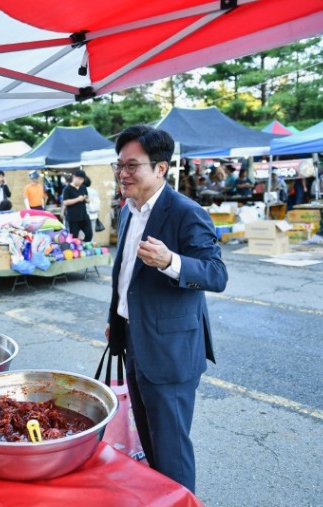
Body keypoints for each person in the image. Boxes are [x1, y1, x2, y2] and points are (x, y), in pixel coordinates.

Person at [105, 125, 228, 493]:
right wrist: (119, 317)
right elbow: (126, 273)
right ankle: (160, 499)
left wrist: (171, 261)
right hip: (134, 340)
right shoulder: (129, 211)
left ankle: (180, 501)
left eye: (132, 166)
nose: (123, 174)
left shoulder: (186, 212)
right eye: (119, 166)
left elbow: (216, 274)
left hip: (171, 351)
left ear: (161, 169)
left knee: (171, 449)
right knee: (148, 439)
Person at [62, 169, 93, 242]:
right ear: (74, 177)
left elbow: (88, 200)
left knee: (89, 234)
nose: (80, 181)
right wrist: (78, 199)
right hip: (73, 218)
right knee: (74, 238)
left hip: (84, 216)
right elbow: (65, 202)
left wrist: (86, 199)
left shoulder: (83, 187)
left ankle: (84, 246)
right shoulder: (67, 189)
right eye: (79, 179)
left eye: (82, 179)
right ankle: (76, 250)